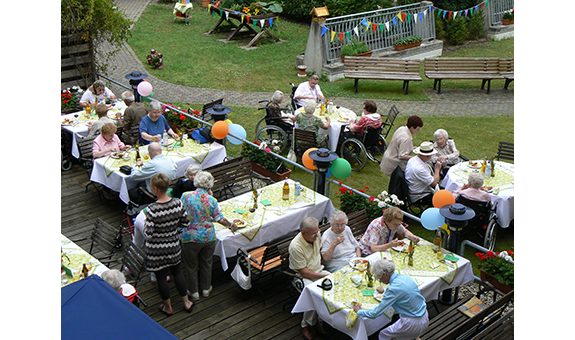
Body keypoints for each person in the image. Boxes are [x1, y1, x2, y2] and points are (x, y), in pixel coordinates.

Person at [180, 170, 238, 301]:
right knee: (206, 263)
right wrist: (231, 226)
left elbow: (180, 212)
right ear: (210, 185)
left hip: (190, 236)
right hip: (207, 237)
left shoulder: (185, 196)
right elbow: (220, 219)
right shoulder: (211, 200)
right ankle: (206, 289)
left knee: (191, 265)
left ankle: (193, 292)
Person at [144, 173, 194, 315]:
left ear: (155, 189)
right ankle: (186, 302)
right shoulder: (178, 203)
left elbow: (148, 234)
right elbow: (185, 223)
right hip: (173, 245)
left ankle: (168, 307)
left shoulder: (152, 209)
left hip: (156, 250)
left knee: (161, 277)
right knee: (177, 273)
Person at [353, 259, 429, 340]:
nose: (380, 281)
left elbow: (375, 313)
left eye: (380, 278)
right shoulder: (406, 277)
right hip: (425, 316)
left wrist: (359, 311)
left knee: (383, 334)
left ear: (384, 274)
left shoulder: (393, 289)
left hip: (412, 324)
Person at [289, 216, 331, 340]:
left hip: (319, 270)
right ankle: (305, 324)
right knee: (313, 294)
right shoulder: (296, 246)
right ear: (303, 233)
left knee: (335, 285)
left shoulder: (315, 235)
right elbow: (304, 273)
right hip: (301, 276)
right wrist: (323, 276)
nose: (317, 236)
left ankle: (320, 319)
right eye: (314, 234)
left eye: (318, 231)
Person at [405, 141, 443, 205]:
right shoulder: (419, 168)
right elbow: (433, 183)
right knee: (444, 196)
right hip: (420, 196)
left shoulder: (413, 159)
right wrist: (437, 169)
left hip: (415, 189)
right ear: (427, 156)